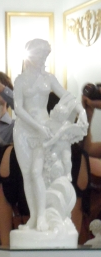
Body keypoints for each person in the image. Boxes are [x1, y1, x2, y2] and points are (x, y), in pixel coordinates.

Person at [11, 39, 86, 233]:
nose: (43, 59)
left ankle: (43, 215)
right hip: (25, 130)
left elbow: (67, 96)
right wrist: (37, 126)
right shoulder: (20, 80)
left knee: (38, 172)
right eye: (40, 55)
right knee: (27, 174)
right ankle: (34, 216)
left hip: (45, 129)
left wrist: (82, 111)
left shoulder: (49, 78)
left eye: (45, 56)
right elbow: (18, 109)